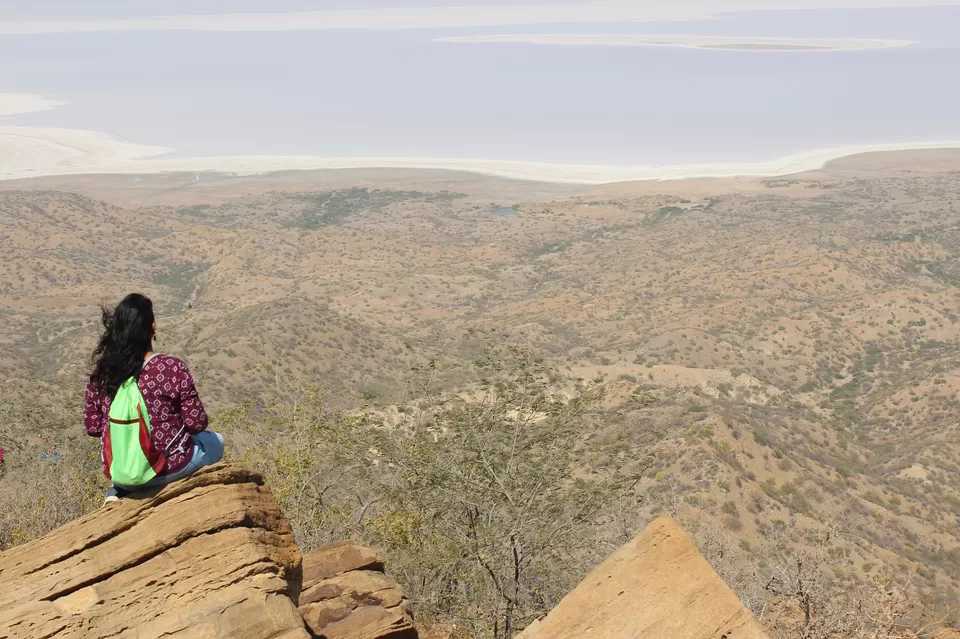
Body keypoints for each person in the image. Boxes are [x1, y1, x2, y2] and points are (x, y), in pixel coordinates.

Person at [84, 293, 223, 503]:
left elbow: (93, 427)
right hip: (169, 468)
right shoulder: (172, 368)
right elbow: (196, 423)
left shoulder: (102, 373)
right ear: (152, 328)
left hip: (122, 473)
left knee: (127, 458)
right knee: (216, 442)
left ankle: (117, 491)